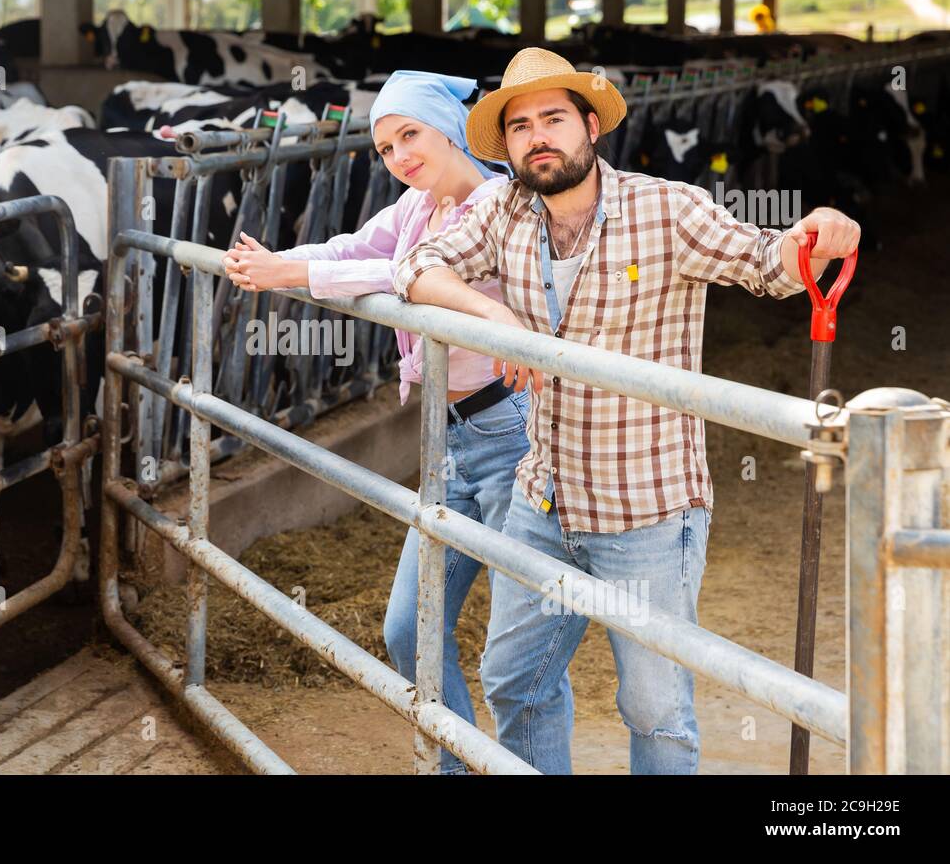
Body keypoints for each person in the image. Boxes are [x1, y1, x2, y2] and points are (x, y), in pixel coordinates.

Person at [392, 48, 860, 774]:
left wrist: (820, 231)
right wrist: (496, 321)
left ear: (590, 126)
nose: (537, 136)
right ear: (508, 146)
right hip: (541, 501)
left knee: (654, 710)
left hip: (646, 509)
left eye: (553, 118)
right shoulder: (506, 212)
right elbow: (414, 267)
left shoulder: (666, 208)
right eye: (519, 127)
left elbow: (768, 265)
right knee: (514, 682)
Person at [221, 70, 531, 774]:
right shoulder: (417, 206)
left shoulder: (496, 203)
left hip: (514, 435)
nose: (399, 157)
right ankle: (457, 766)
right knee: (407, 629)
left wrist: (290, 279)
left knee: (517, 653)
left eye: (410, 136)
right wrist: (274, 261)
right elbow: (349, 250)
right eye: (386, 147)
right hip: (449, 437)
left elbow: (397, 275)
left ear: (449, 128)